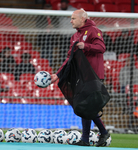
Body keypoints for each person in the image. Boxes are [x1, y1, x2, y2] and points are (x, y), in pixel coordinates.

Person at [51, 9, 110, 147]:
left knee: (85, 105)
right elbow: (69, 59)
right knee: (86, 106)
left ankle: (86, 138)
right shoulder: (74, 36)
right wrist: (57, 74)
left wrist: (86, 46)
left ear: (82, 19)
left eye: (73, 18)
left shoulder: (94, 30)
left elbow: (101, 47)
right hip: (81, 76)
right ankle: (100, 133)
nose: (71, 21)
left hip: (93, 75)